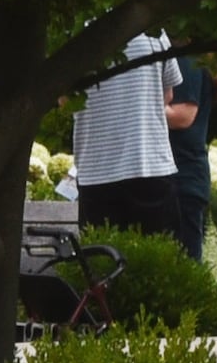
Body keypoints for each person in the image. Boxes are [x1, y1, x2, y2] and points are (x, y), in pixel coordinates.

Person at [69, 28, 186, 237]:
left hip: (97, 170)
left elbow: (66, 102)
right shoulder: (152, 31)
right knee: (158, 261)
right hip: (151, 165)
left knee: (102, 261)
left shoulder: (77, 32)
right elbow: (167, 95)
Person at [163, 46, 217, 259]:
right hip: (180, 176)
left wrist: (140, 107)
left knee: (185, 261)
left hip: (182, 177)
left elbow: (182, 115)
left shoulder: (186, 60)